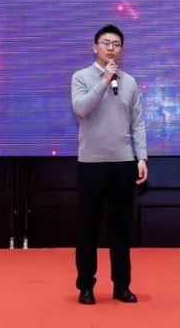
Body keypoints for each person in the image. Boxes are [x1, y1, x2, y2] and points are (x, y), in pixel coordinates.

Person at [70, 24, 148, 305]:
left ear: (121, 50)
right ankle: (86, 286)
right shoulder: (80, 77)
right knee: (88, 229)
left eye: (116, 44)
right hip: (91, 163)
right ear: (95, 47)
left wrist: (142, 157)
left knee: (121, 229)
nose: (111, 48)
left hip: (123, 163)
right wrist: (104, 80)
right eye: (106, 43)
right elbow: (81, 109)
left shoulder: (130, 81)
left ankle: (122, 285)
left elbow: (137, 121)